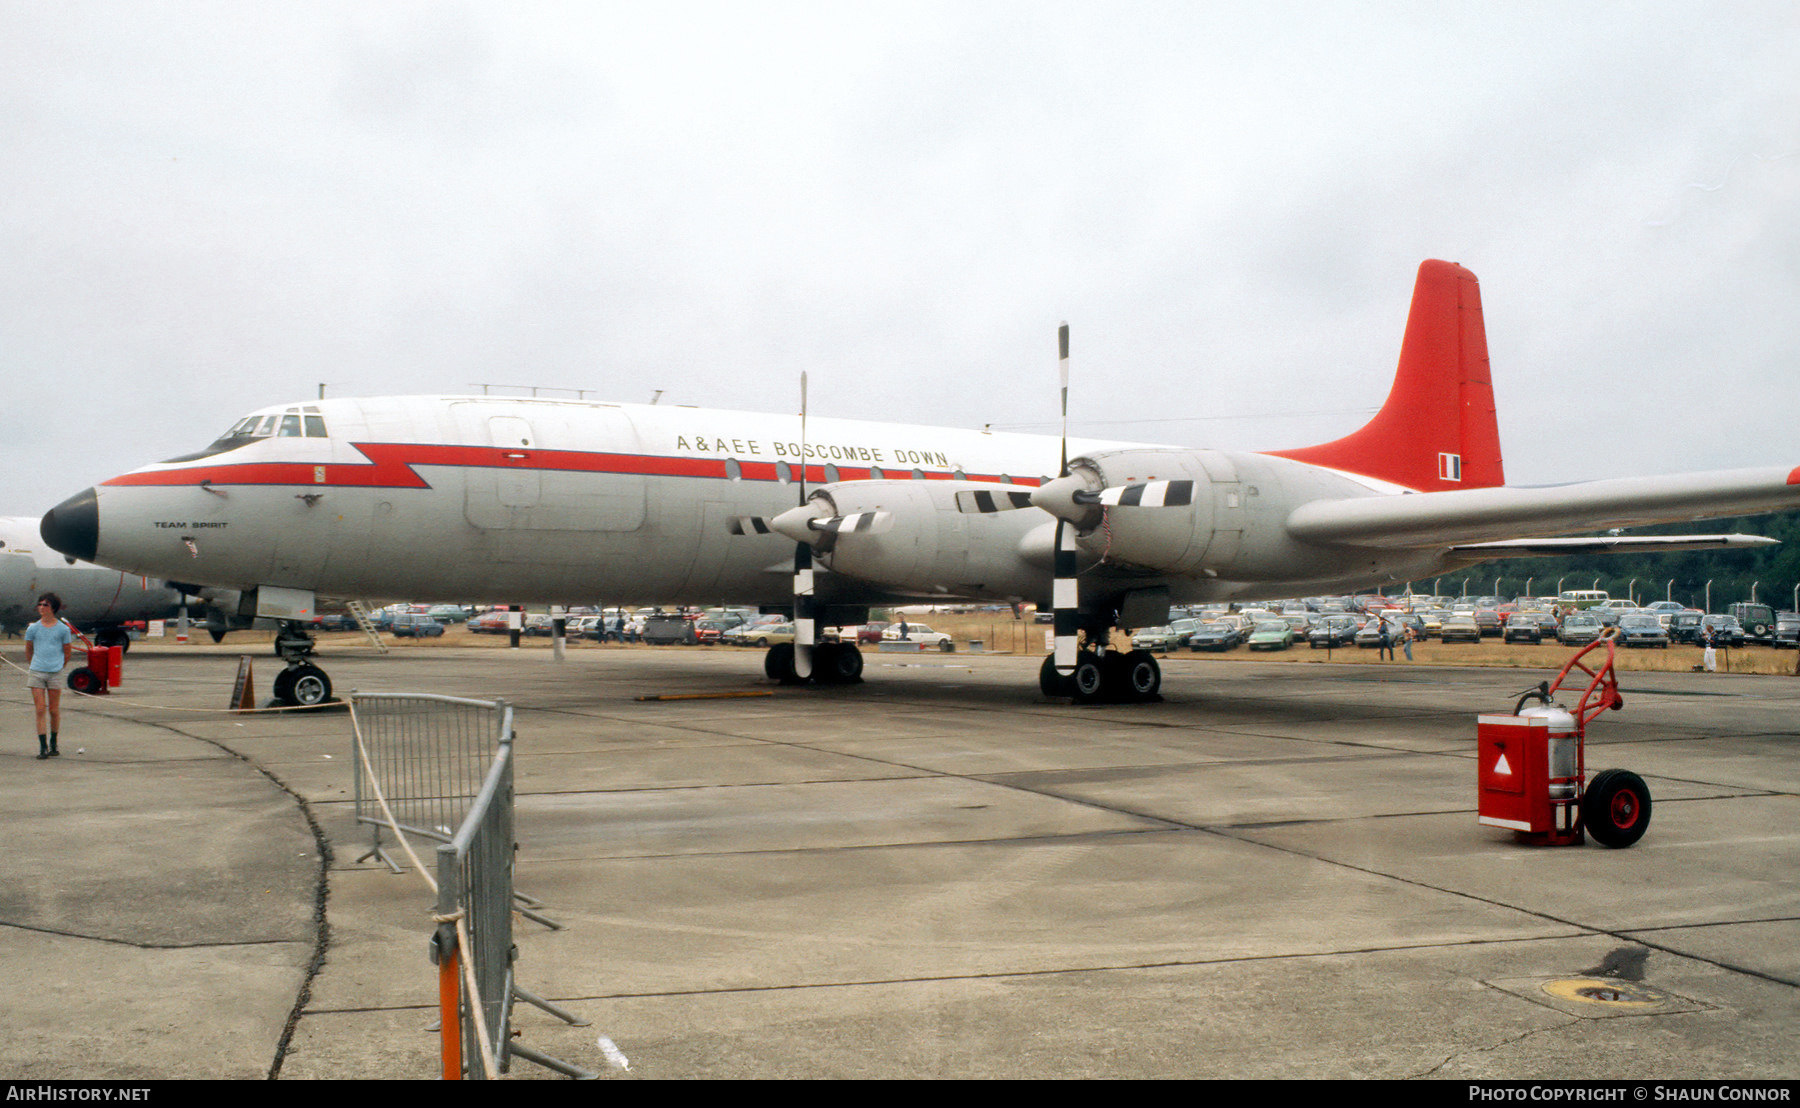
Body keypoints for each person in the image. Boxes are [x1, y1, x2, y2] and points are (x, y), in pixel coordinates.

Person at [24, 592, 73, 759]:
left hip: (55, 672)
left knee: (53, 710)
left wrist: (59, 666)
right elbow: (29, 648)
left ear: (53, 608)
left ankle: (53, 742)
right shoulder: (33, 628)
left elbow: (67, 652)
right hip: (37, 671)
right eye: (40, 604)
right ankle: (42, 746)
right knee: (39, 709)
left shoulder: (63, 629)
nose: (41, 607)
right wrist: (33, 665)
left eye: (45, 605)